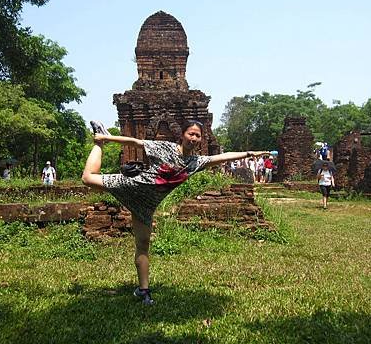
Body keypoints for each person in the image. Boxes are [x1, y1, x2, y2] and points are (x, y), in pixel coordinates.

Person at [82, 120, 268, 305]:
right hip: (131, 186)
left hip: (146, 205)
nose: (194, 138)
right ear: (182, 135)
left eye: (198, 136)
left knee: (143, 244)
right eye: (191, 134)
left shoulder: (195, 162)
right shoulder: (165, 148)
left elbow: (222, 157)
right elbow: (135, 142)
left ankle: (144, 290)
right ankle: (99, 143)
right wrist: (106, 138)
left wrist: (249, 153)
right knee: (88, 178)